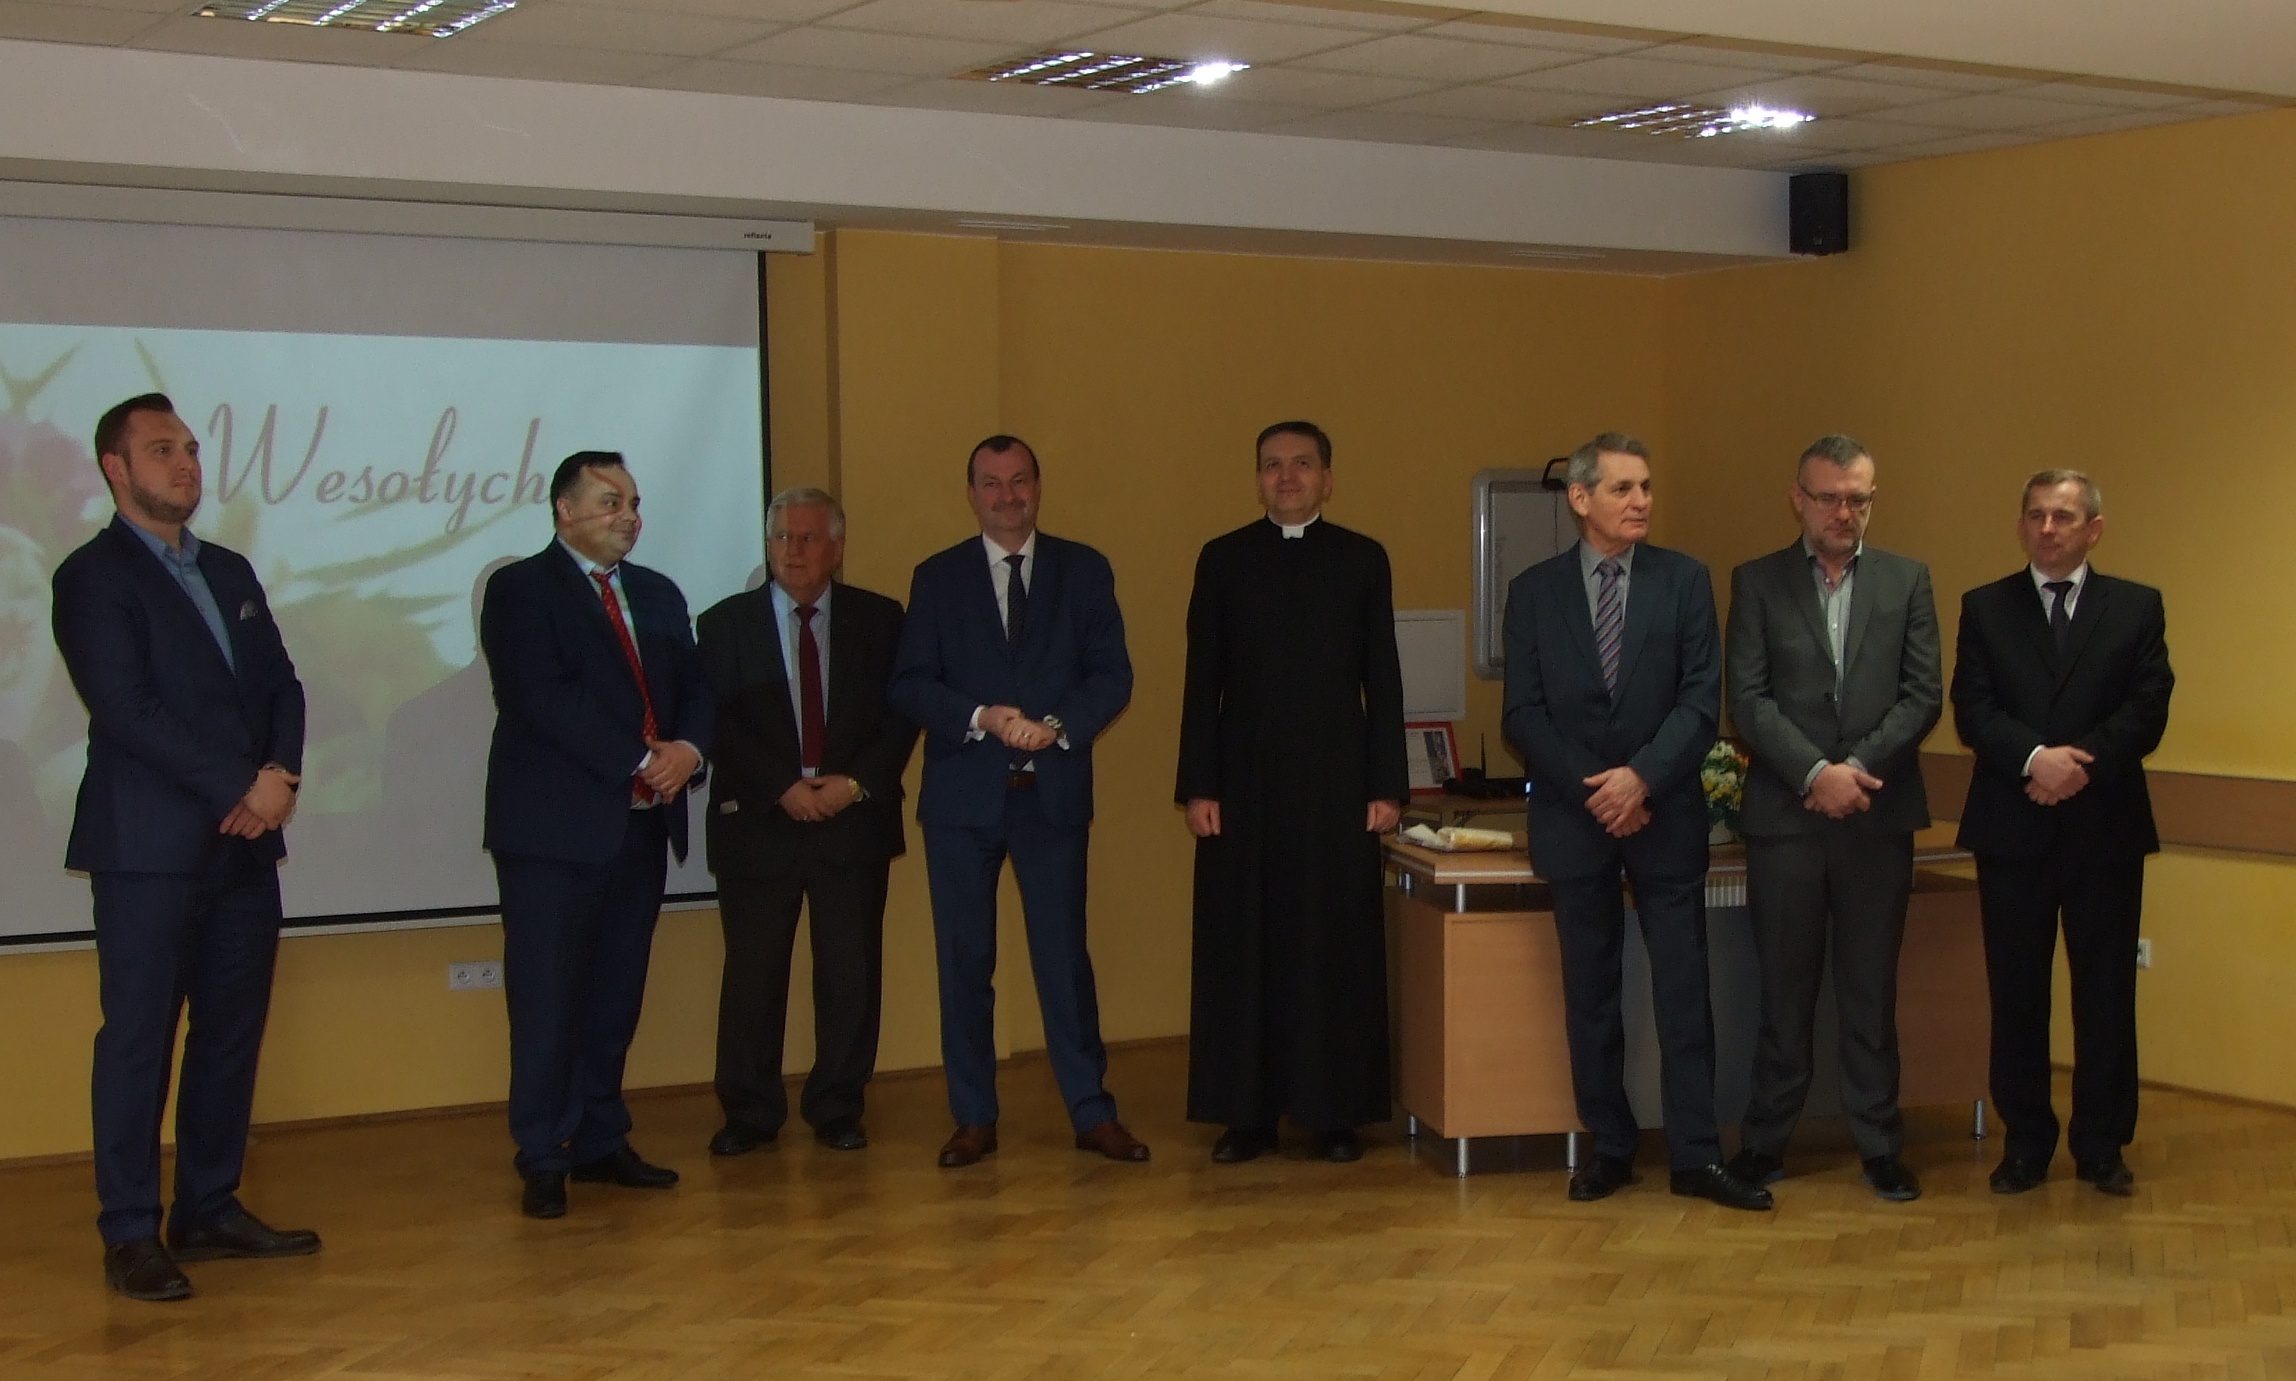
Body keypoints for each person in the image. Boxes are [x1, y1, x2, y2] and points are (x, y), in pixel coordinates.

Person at [51, 392, 316, 1302]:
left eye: (192, 448)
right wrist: (240, 785)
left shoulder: (230, 568)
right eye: (162, 449)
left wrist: (278, 772)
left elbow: (283, 684)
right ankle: (130, 1228)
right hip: (148, 848)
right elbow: (126, 708)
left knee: (230, 1033)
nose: (186, 463)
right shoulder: (92, 576)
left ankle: (207, 1205)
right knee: (138, 1039)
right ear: (115, 468)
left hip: (244, 846)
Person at [1501, 432, 1771, 1211]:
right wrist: (1600, 788)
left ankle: (1696, 1154)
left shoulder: (1684, 580)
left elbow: (1700, 699)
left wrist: (1641, 777)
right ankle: (1610, 1147)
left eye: (1647, 486)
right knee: (1591, 995)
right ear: (1580, 498)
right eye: (1623, 488)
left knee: (1685, 992)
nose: (1641, 500)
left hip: (1665, 812)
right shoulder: (1535, 591)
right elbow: (1524, 713)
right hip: (1576, 815)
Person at [888, 434, 1146, 1169]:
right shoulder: (937, 577)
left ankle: (1091, 1111)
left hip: (1051, 797)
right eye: (992, 483)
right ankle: (973, 1116)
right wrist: (981, 717)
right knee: (965, 963)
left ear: (1039, 486)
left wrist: (1056, 725)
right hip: (962, 801)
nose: (1007, 495)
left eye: (1020, 480)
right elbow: (910, 683)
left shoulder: (1084, 570)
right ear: (971, 493)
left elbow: (1112, 675)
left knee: (1063, 961)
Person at [479, 451, 713, 1219]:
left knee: (615, 996)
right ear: (565, 509)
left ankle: (601, 1138)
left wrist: (689, 750)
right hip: (553, 834)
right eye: (612, 502)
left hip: (638, 829)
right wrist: (643, 759)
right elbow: (541, 697)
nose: (629, 516)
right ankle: (544, 1151)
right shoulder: (521, 589)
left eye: (635, 502)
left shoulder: (659, 592)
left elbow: (696, 687)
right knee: (548, 998)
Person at [1176, 421, 1407, 1164]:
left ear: (1327, 479)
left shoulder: (1363, 559)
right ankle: (1245, 1115)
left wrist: (1387, 784)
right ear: (1258, 480)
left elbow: (1383, 678)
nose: (1286, 477)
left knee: (1331, 944)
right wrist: (1198, 785)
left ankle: (1334, 1113)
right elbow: (1201, 682)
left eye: (1301, 464)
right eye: (1272, 465)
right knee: (1242, 945)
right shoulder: (1222, 560)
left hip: (1337, 784)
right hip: (1242, 785)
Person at [1723, 435, 1942, 1202]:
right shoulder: (1757, 581)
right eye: (1829, 498)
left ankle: (1880, 1145)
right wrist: (1816, 772)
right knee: (1783, 995)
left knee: (1870, 994)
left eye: (1858, 499)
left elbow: (1923, 695)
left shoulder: (1908, 579)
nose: (1844, 512)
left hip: (1876, 817)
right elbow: (1748, 699)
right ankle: (1765, 1142)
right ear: (1799, 500)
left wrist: (1855, 772)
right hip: (1787, 819)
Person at [1951, 469, 2171, 1197]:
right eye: (2037, 515)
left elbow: (2148, 708)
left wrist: (2079, 764)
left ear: (2093, 530)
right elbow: (1973, 708)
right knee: (2017, 994)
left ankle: (2102, 1144)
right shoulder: (1985, 607)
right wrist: (2034, 759)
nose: (2048, 528)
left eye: (2064, 517)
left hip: (2104, 828)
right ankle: (2026, 1142)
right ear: (2021, 525)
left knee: (2105, 994)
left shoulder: (2136, 606)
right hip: (2012, 829)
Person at [697, 487, 918, 1157]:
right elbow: (716, 722)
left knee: (851, 974)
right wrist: (781, 787)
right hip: (759, 821)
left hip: (851, 819)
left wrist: (853, 784)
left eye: (808, 537)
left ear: (838, 547)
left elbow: (902, 713)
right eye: (781, 537)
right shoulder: (723, 624)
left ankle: (838, 1105)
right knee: (753, 976)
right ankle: (749, 1111)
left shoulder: (881, 619)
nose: (793, 550)